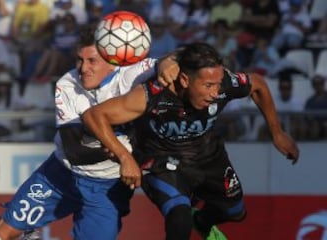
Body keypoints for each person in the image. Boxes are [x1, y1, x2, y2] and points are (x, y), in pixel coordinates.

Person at [0, 26, 178, 240]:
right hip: (60, 175)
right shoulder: (67, 85)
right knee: (2, 232)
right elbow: (74, 151)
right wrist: (125, 154)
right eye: (79, 60)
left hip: (107, 189)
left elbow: (177, 58)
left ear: (112, 61)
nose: (83, 68)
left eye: (92, 61)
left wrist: (168, 63)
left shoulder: (132, 73)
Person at [82, 42, 300, 240]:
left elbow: (258, 84)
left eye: (217, 85)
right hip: (161, 161)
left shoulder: (222, 83)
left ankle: (202, 222)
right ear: (185, 80)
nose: (216, 93)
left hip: (208, 157)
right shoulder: (153, 93)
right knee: (179, 218)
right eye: (208, 86)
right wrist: (125, 157)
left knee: (235, 212)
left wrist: (277, 132)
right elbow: (94, 116)